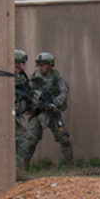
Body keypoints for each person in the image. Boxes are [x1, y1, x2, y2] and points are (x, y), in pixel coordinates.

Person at [18, 51, 73, 168]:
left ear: (49, 65)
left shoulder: (57, 77)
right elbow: (28, 93)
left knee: (64, 138)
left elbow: (64, 92)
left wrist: (54, 103)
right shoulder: (34, 78)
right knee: (30, 141)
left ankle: (69, 166)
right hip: (38, 113)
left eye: (43, 64)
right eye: (40, 65)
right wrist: (37, 101)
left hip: (52, 113)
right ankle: (23, 166)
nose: (41, 67)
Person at [13, 49, 35, 179]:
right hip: (12, 114)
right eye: (22, 63)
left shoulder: (22, 77)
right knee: (20, 142)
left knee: (21, 142)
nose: (24, 65)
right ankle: (17, 171)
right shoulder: (11, 77)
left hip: (19, 114)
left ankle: (18, 170)